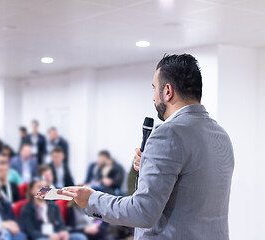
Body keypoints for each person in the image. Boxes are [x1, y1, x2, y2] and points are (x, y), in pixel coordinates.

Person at [59, 54, 235, 240]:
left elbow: (142, 212)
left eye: (154, 88)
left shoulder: (168, 133)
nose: (153, 97)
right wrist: (148, 165)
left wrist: (92, 199)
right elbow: (191, 188)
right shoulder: (221, 135)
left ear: (167, 91)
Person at [20, 179, 86, 240]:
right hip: (41, 237)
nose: (43, 190)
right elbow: (30, 231)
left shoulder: (54, 206)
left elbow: (61, 224)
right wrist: (48, 236)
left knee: (80, 237)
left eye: (45, 187)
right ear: (32, 190)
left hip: (56, 234)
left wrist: (63, 232)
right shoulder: (27, 208)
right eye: (39, 187)